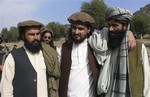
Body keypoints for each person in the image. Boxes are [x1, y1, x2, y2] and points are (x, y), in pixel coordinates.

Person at [88, 7, 150, 97]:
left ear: (125, 26)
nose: (110, 29)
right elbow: (92, 34)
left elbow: (147, 76)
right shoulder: (105, 43)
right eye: (109, 25)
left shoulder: (138, 47)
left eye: (115, 25)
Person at [0, 20, 61, 97]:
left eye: (38, 34)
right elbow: (6, 87)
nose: (35, 37)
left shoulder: (46, 54)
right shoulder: (13, 57)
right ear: (23, 36)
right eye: (31, 34)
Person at [57, 12, 101, 97]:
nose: (76, 32)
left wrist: (129, 34)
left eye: (80, 29)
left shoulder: (95, 46)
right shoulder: (63, 48)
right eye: (74, 28)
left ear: (88, 30)